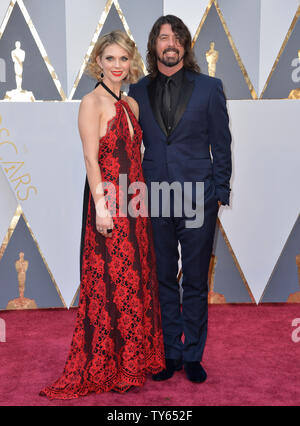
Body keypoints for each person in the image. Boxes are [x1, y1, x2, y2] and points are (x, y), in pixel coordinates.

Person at [40, 30, 165, 400]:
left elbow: (136, 159)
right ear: (98, 62)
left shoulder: (132, 105)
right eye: (110, 58)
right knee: (114, 281)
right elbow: (91, 160)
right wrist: (100, 206)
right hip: (108, 204)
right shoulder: (91, 103)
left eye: (123, 59)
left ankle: (136, 359)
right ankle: (113, 364)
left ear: (131, 63)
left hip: (135, 205)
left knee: (137, 277)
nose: (117, 65)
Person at [129, 15, 232, 383]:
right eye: (162, 37)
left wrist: (220, 192)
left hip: (197, 196)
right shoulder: (137, 91)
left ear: (185, 45)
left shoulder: (209, 87)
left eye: (176, 37)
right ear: (154, 45)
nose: (169, 43)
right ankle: (169, 351)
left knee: (195, 281)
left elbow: (221, 143)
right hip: (154, 196)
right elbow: (126, 146)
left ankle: (193, 355)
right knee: (162, 279)